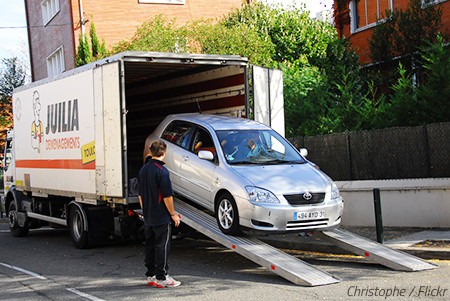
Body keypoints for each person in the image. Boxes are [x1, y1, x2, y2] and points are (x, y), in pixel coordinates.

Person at [139, 140, 181, 288]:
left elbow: (140, 195)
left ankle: (150, 276)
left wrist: (145, 211)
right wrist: (173, 214)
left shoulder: (143, 170)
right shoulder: (162, 171)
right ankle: (162, 277)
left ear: (150, 152)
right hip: (161, 215)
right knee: (162, 245)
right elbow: (167, 196)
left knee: (149, 244)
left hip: (148, 214)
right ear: (164, 153)